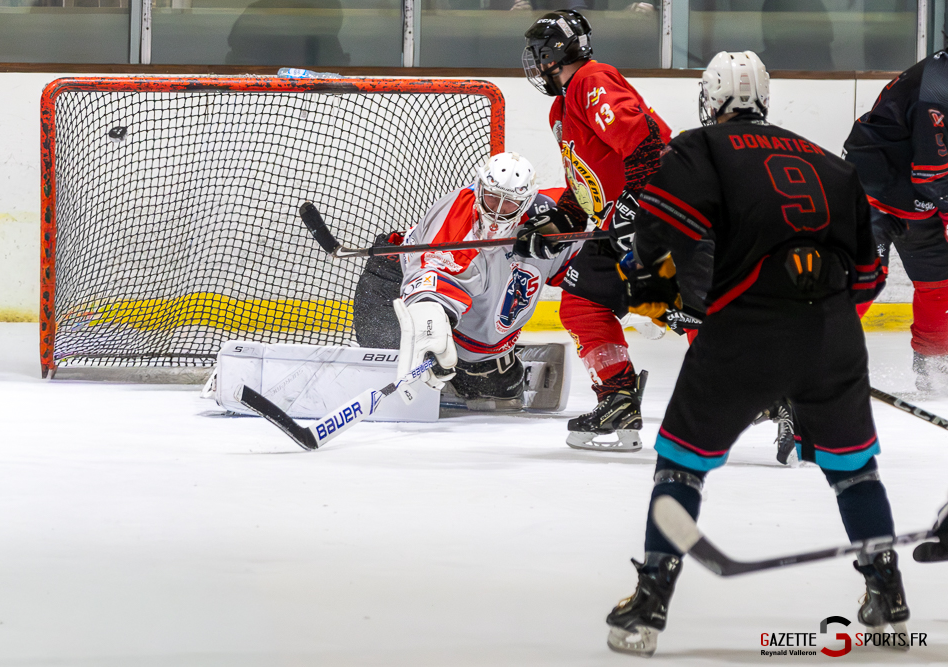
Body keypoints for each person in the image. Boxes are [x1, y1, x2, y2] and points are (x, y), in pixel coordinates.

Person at [605, 51, 904, 657]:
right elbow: (868, 280)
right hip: (832, 333)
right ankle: (886, 593)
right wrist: (817, 340)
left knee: (680, 465)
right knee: (854, 469)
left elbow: (655, 243)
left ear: (710, 100)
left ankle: (649, 602)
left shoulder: (700, 148)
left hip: (743, 331)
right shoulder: (829, 164)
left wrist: (648, 277)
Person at [518, 9, 672, 450]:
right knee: (583, 303)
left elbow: (648, 145)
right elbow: (586, 185)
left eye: (538, 53)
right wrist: (557, 223)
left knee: (687, 311)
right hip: (623, 224)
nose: (534, 62)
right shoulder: (560, 108)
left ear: (554, 53)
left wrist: (636, 209)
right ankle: (618, 399)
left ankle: (776, 393)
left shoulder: (591, 80)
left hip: (661, 216)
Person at [354, 152, 577, 411]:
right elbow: (430, 291)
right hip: (396, 283)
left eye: (510, 203)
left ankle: (486, 362)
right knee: (399, 369)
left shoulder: (550, 217)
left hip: (467, 299)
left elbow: (593, 213)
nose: (497, 210)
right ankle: (458, 363)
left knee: (496, 391)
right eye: (493, 196)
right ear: (479, 187)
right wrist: (429, 338)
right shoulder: (459, 226)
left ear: (526, 201)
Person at [844, 51, 948, 393]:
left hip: (917, 198)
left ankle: (936, 369)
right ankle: (807, 361)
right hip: (873, 193)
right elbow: (931, 173)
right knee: (860, 280)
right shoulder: (937, 85)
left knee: (940, 284)